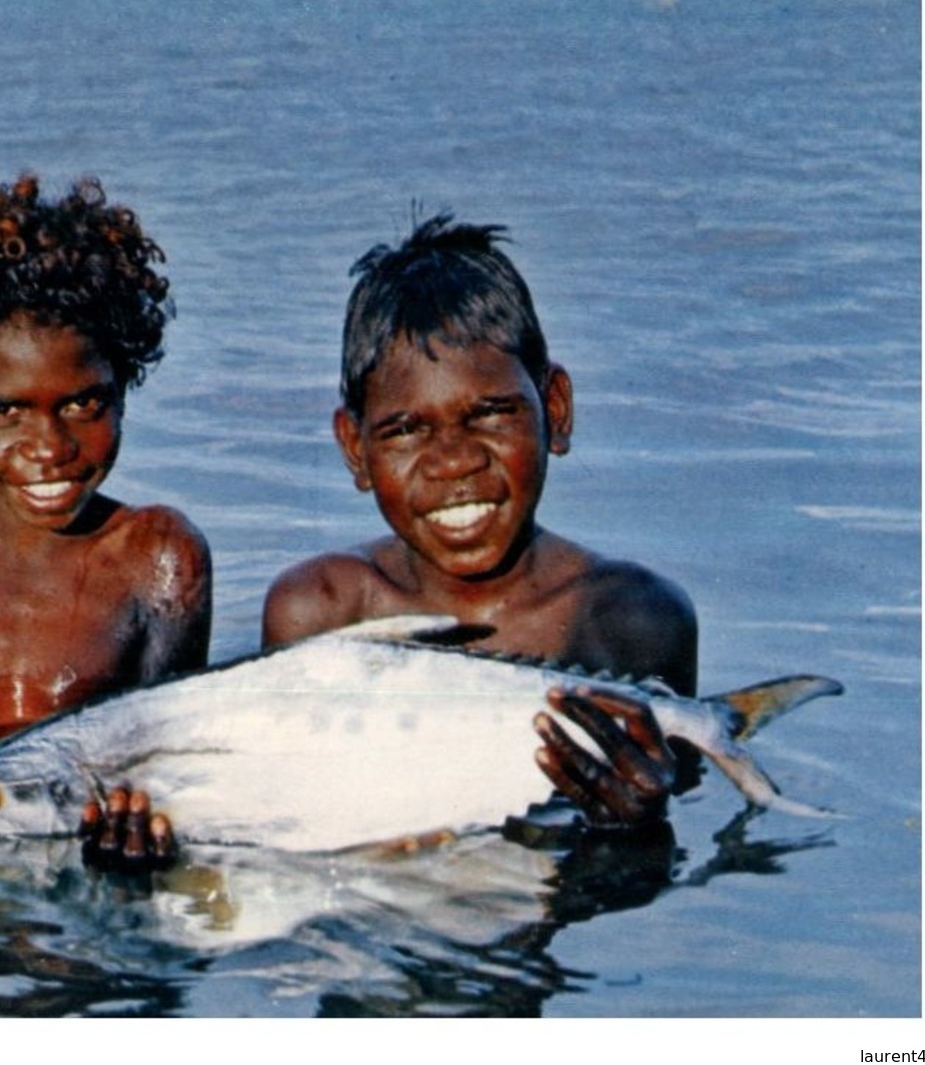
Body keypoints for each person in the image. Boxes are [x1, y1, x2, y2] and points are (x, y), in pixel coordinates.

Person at [262, 215, 697, 828]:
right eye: (406, 430)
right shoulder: (321, 610)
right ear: (355, 449)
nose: (454, 461)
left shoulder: (633, 620)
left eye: (491, 414)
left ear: (556, 411)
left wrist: (631, 828)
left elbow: (678, 808)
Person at [0, 174, 211, 865]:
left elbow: (166, 757)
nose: (49, 448)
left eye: (83, 404)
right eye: (5, 412)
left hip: (87, 847)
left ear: (123, 389)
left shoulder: (159, 556)